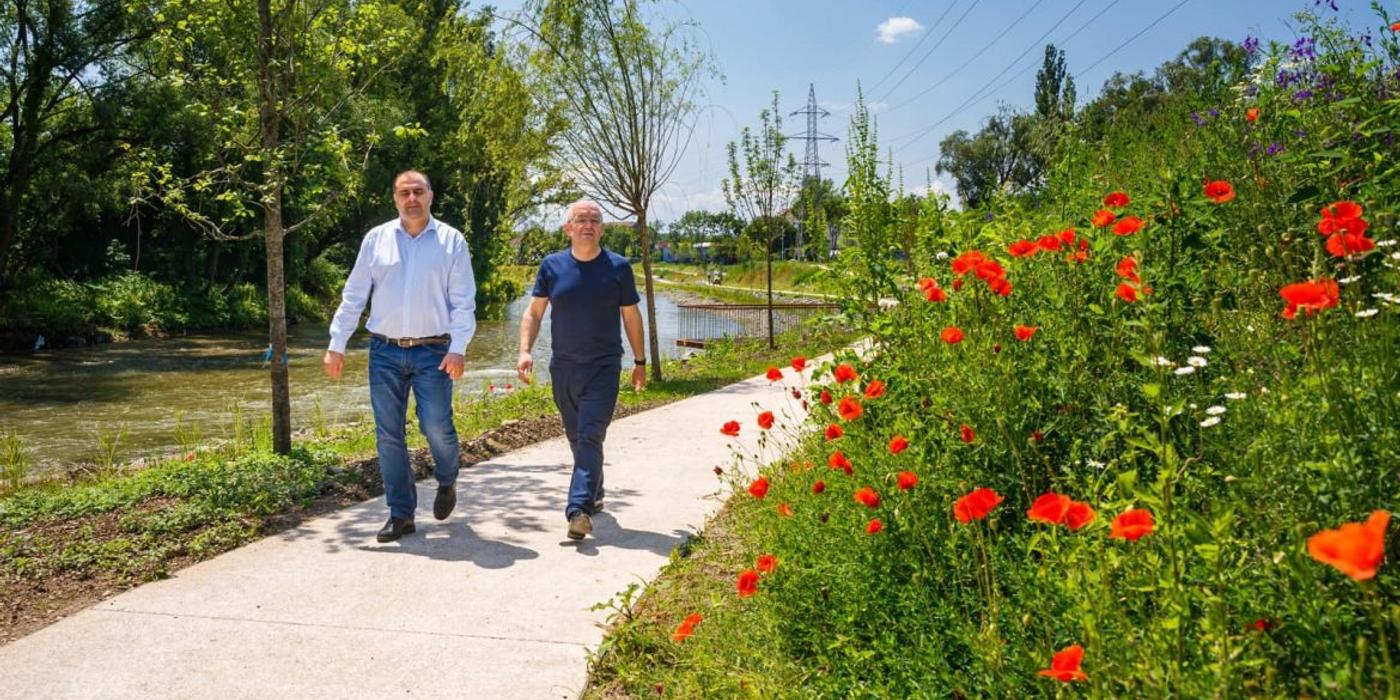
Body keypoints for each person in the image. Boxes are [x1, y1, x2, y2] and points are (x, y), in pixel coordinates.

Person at [323, 170, 476, 543]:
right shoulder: (376, 240)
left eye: (418, 192)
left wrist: (458, 348)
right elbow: (354, 295)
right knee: (388, 435)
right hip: (385, 351)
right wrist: (336, 343)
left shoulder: (451, 241)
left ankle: (447, 477)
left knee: (436, 426)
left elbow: (463, 301)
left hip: (434, 351)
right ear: (395, 199)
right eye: (404, 193)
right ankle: (401, 514)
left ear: (430, 196)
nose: (411, 198)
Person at [517, 199, 646, 541]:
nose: (588, 224)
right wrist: (525, 351)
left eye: (594, 220)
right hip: (564, 368)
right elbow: (533, 313)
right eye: (581, 219)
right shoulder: (552, 266)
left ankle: (578, 510)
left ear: (602, 229)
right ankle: (595, 490)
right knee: (577, 438)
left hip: (603, 367)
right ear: (568, 228)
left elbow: (631, 317)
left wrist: (640, 362)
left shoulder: (618, 268)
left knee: (590, 434)